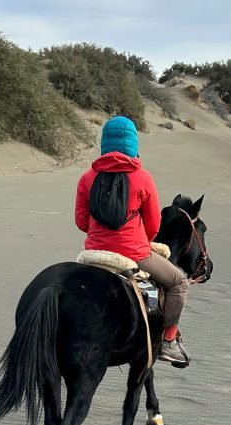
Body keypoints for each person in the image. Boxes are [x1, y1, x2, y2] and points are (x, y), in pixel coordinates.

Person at [75, 116, 190, 365]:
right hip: (133, 252)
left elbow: (81, 222)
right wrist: (141, 241)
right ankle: (169, 341)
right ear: (133, 143)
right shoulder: (143, 178)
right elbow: (153, 225)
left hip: (95, 252)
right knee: (179, 282)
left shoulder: (87, 178)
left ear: (104, 143)